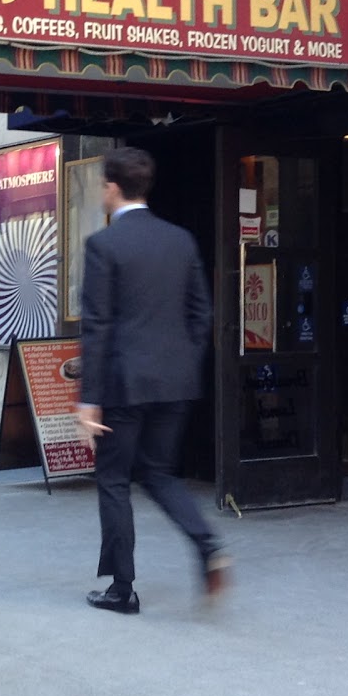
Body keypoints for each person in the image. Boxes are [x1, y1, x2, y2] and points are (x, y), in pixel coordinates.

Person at [76, 148, 229, 614]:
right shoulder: (180, 240)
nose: (101, 192)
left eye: (102, 185)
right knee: (158, 473)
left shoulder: (104, 246)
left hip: (123, 383)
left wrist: (89, 400)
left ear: (113, 188)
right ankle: (207, 545)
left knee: (114, 479)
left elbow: (97, 325)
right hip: (174, 381)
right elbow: (202, 313)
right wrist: (182, 360)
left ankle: (122, 588)